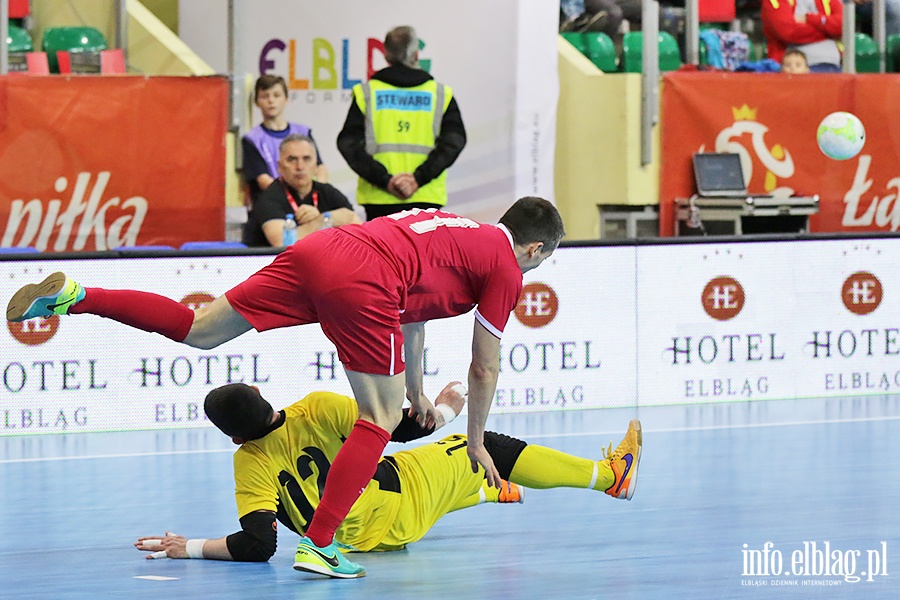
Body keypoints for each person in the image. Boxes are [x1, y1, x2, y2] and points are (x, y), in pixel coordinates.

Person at [7, 195, 566, 578]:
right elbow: (484, 367)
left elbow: (414, 313)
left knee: (199, 330)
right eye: (542, 261)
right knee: (378, 420)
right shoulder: (507, 269)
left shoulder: (455, 225)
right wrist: (472, 439)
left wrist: (417, 389)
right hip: (365, 280)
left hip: (325, 249)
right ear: (536, 250)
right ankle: (321, 545)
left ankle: (76, 296)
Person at [133, 382, 642, 579]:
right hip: (398, 501)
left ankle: (489, 488)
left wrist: (193, 547)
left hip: (354, 541)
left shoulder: (248, 463)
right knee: (484, 445)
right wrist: (444, 406)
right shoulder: (315, 408)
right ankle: (610, 477)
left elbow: (259, 544)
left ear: (232, 437)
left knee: (453, 469)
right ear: (267, 399)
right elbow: (397, 429)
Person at [336, 26, 466, 221]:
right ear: (416, 55)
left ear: (386, 55)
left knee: (382, 252)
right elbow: (453, 142)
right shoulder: (439, 94)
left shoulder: (367, 93)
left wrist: (386, 181)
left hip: (379, 198)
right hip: (425, 196)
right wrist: (418, 178)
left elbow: (348, 144)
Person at [242, 134, 362, 247]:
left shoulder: (328, 192)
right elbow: (283, 243)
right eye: (292, 159)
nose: (300, 166)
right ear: (279, 167)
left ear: (316, 166)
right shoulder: (269, 198)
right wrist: (323, 220)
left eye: (306, 159)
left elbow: (360, 232)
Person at [243, 75, 329, 205]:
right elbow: (263, 180)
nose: (271, 101)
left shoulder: (303, 132)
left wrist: (315, 195)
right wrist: (293, 199)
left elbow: (320, 168)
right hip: (272, 205)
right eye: (265, 96)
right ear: (256, 102)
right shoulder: (252, 139)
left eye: (276, 95)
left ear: (286, 99)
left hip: (306, 202)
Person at [761, 0, 843, 73]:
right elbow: (789, 32)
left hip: (833, 65)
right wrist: (828, 31)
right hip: (791, 68)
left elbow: (842, 26)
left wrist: (809, 18)